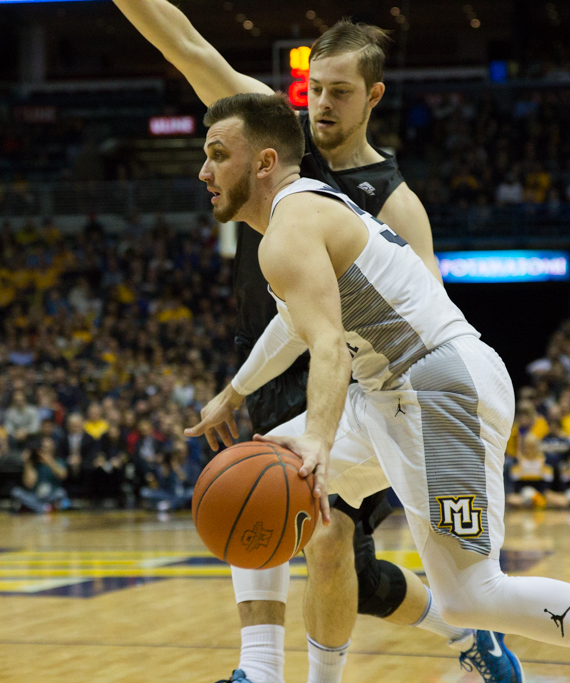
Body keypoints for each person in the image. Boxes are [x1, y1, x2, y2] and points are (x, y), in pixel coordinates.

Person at [186, 92, 570, 683]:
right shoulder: (302, 216)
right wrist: (234, 395)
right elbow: (296, 323)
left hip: (439, 389)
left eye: (218, 154)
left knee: (472, 596)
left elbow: (328, 347)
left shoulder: (289, 231)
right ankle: (261, 673)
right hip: (391, 394)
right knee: (260, 464)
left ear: (264, 162)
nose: (204, 171)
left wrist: (317, 438)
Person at [110, 4, 511, 681]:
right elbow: (185, 45)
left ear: (372, 97)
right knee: (267, 507)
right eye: (315, 90)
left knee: (325, 541)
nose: (322, 104)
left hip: (354, 382)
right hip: (267, 355)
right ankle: (266, 668)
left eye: (339, 92)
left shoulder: (395, 199)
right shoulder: (266, 136)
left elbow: (434, 319)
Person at [11, 436, 69, 513]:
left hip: (51, 494)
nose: (44, 451)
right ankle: (45, 508)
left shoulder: (58, 461)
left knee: (61, 492)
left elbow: (62, 475)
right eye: (42, 448)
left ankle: (37, 508)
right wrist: (28, 463)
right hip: (35, 495)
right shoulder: (33, 464)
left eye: (47, 448)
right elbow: (29, 484)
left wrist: (49, 461)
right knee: (16, 492)